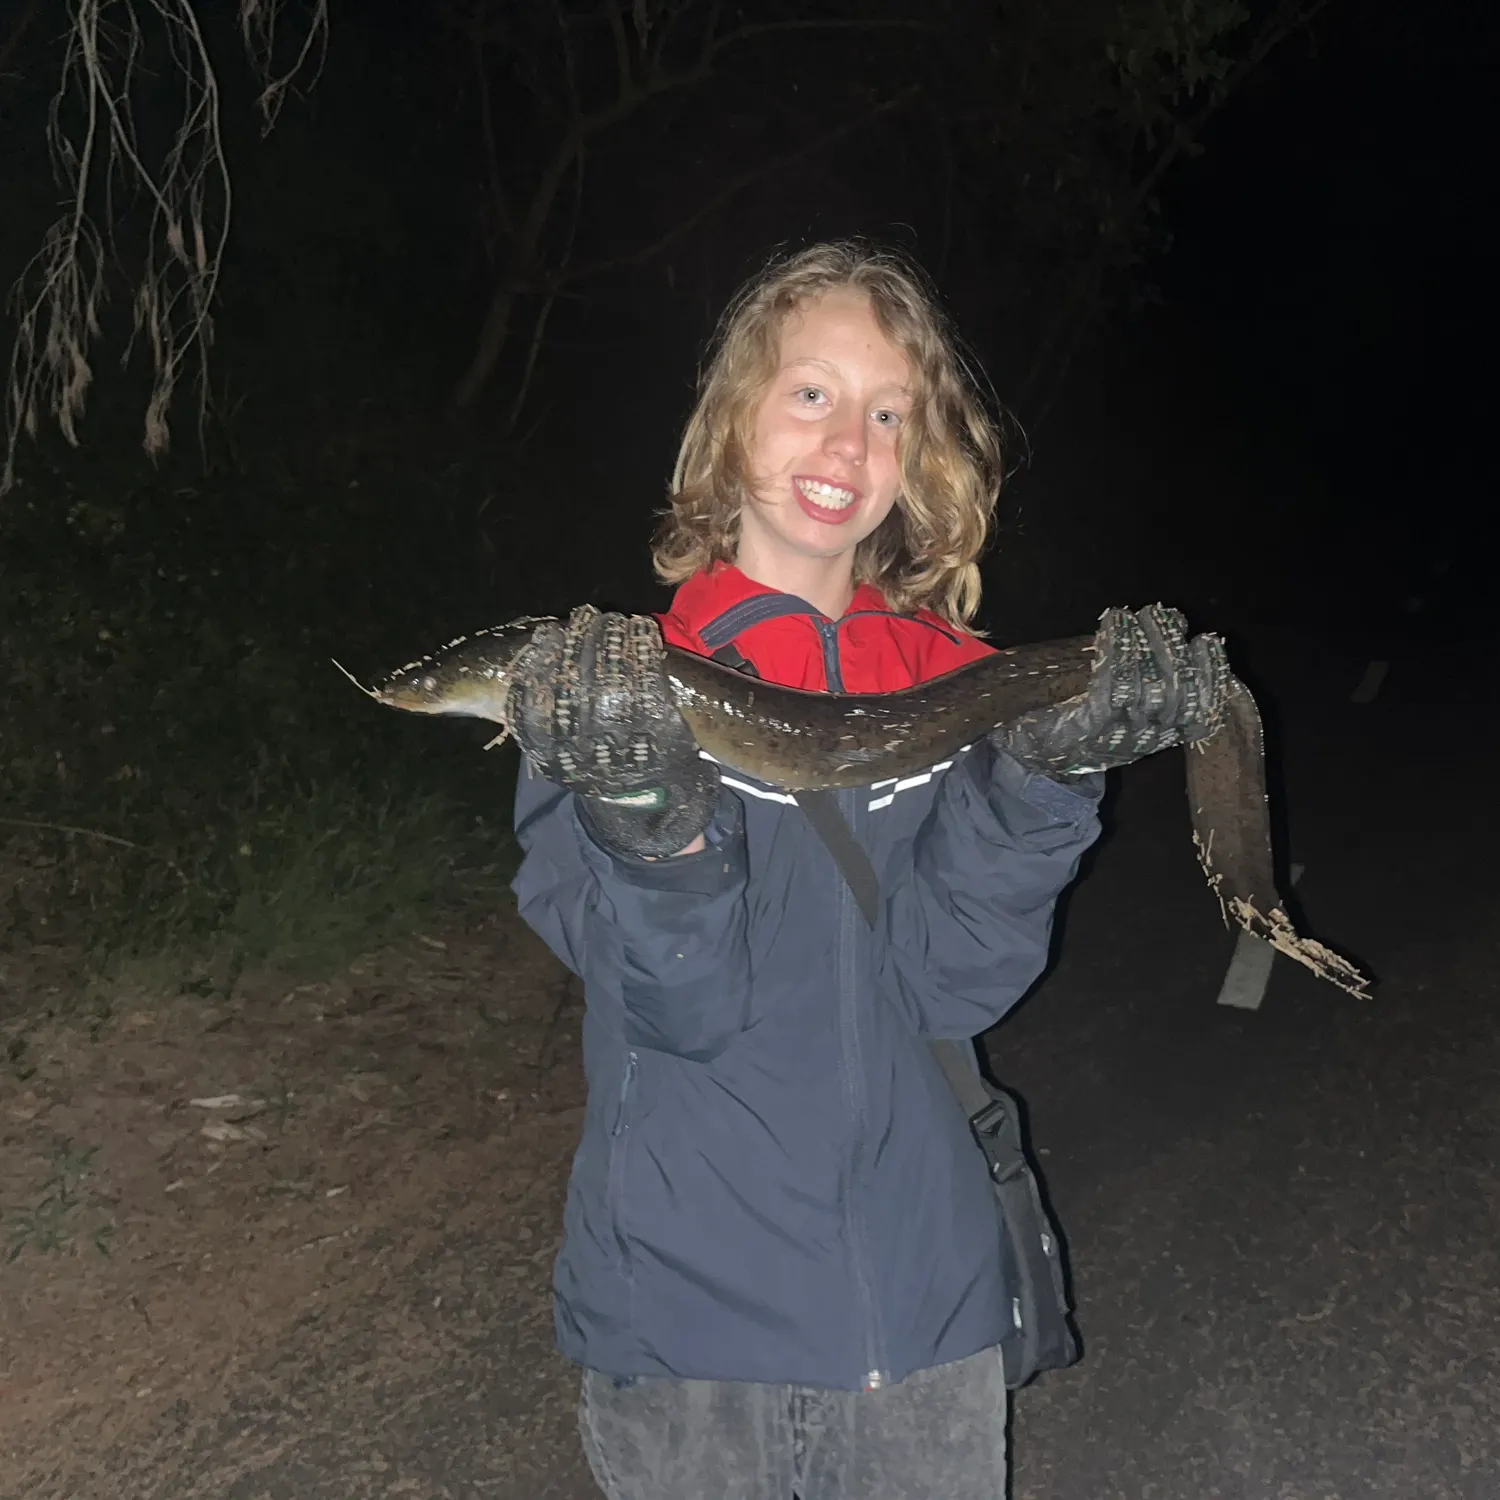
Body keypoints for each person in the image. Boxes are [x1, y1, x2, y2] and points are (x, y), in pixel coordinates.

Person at [506, 241, 1225, 1500]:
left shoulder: (956, 685)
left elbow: (953, 988)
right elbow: (678, 1007)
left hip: (925, 1314)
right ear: (730, 424)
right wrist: (650, 820)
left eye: (887, 412)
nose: (847, 444)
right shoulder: (611, 694)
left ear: (919, 457)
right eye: (811, 394)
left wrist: (1044, 783)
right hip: (688, 1334)